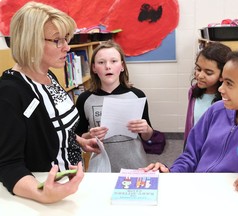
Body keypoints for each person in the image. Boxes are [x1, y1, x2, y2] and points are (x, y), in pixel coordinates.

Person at [144, 47, 238, 197]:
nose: (220, 89)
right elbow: (191, 156)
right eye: (222, 81)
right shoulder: (216, 111)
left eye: (229, 83)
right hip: (199, 196)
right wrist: (172, 173)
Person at [0, 2, 100, 204]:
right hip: (47, 191)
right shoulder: (10, 92)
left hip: (71, 183)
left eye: (66, 39)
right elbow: (9, 166)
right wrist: (42, 195)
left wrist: (78, 140)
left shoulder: (49, 76)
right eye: (57, 41)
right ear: (31, 42)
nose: (67, 47)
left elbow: (47, 127)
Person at [75, 40, 154, 172]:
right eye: (101, 62)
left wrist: (146, 129)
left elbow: (148, 136)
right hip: (101, 167)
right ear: (94, 68)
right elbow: (79, 138)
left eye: (113, 61)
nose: (108, 66)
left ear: (122, 66)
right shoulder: (84, 99)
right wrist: (90, 135)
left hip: (135, 164)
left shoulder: (137, 95)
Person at [184, 42, 231, 142]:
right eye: (198, 69)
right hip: (194, 145)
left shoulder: (229, 100)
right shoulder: (193, 91)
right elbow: (191, 123)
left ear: (222, 75)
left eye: (208, 73)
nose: (200, 75)